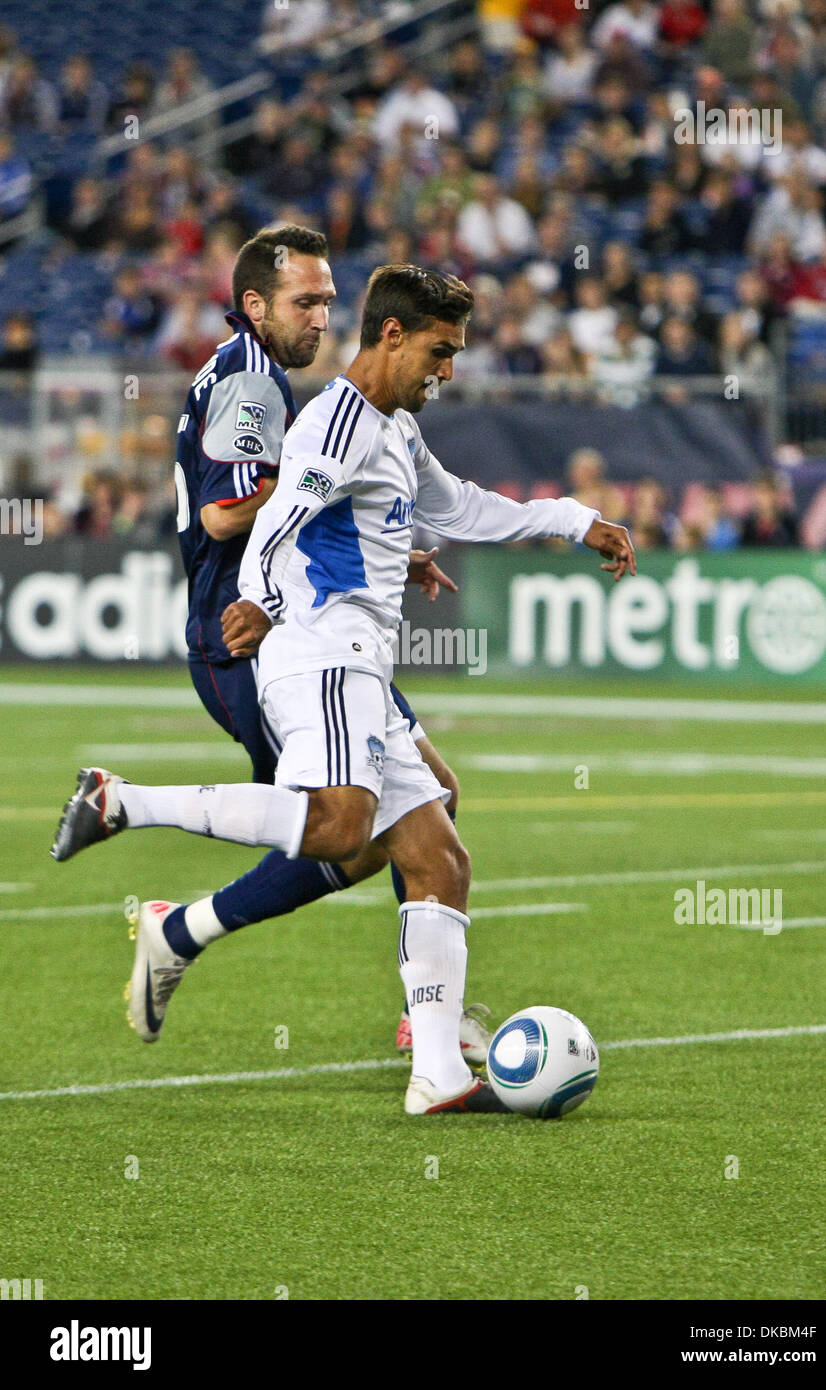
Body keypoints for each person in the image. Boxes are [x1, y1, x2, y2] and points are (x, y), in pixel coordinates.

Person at [52, 264, 635, 1116]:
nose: (447, 370)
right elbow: (281, 517)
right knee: (338, 827)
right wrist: (263, 600)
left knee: (438, 857)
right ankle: (122, 802)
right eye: (439, 351)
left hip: (361, 664)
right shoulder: (336, 424)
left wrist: (573, 519)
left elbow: (463, 508)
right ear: (392, 335)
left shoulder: (392, 428)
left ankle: (436, 1074)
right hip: (322, 660)